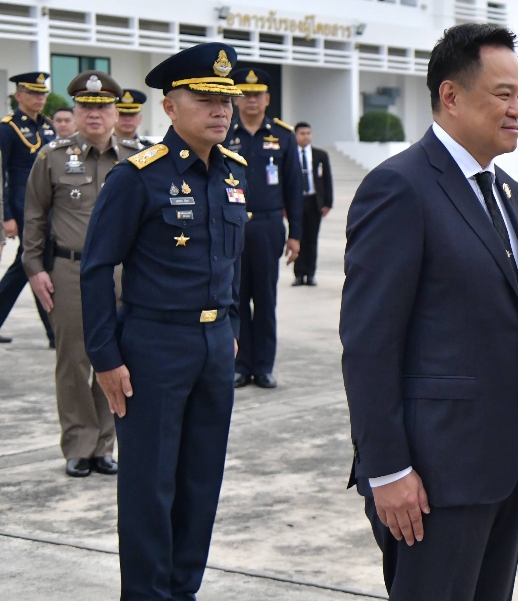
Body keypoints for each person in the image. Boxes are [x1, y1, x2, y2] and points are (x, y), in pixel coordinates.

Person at [341, 24, 518, 601]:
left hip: (501, 468)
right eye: (503, 94)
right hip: (433, 480)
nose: (517, 110)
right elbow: (369, 343)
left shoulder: (504, 192)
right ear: (450, 96)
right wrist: (388, 470)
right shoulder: (400, 188)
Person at [81, 42, 247, 601]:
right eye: (205, 99)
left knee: (201, 482)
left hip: (213, 344)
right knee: (151, 488)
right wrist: (105, 356)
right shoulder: (137, 177)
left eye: (227, 100)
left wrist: (232, 332)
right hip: (153, 345)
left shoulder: (232, 174)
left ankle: (183, 591)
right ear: (170, 107)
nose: (221, 111)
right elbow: (97, 267)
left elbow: (233, 260)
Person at [25, 71, 138, 478]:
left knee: (115, 358)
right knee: (73, 360)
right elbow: (34, 218)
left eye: (103, 106)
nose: (95, 114)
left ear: (115, 112)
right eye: (87, 106)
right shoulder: (52, 157)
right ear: (74, 111)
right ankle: (78, 443)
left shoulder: (136, 158)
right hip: (69, 272)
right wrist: (35, 270)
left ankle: (104, 444)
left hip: (123, 275)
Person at [224, 67, 302, 389]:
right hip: (233, 224)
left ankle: (264, 366)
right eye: (245, 94)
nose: (252, 100)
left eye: (258, 95)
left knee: (266, 299)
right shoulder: (226, 133)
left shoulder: (283, 136)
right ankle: (241, 365)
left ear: (268, 99)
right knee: (236, 299)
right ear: (236, 98)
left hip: (269, 225)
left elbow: (295, 189)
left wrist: (295, 234)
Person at [0, 72, 59, 346]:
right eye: (33, 93)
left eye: (42, 93)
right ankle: (53, 332)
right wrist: (7, 217)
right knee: (33, 260)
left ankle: (53, 332)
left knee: (29, 264)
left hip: (49, 204)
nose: (40, 98)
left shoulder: (48, 126)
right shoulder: (7, 128)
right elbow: (2, 176)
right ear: (18, 96)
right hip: (22, 205)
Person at [292, 121, 333, 286]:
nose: (306, 136)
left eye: (308, 133)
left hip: (314, 201)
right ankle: (299, 274)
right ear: (295, 136)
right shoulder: (290, 154)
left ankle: (310, 274)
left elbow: (328, 180)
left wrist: (328, 203)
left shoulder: (320, 155)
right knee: (297, 237)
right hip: (295, 201)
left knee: (312, 239)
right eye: (302, 133)